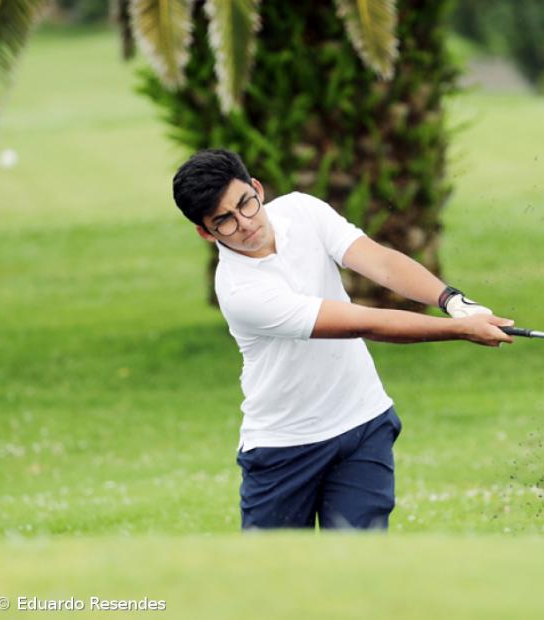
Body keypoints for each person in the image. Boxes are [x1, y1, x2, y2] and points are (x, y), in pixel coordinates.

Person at [171, 149, 514, 531]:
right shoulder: (240, 290)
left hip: (363, 423)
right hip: (284, 447)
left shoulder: (302, 211)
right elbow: (361, 323)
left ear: (256, 188)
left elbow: (380, 263)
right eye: (225, 221)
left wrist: (454, 302)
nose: (245, 223)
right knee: (275, 579)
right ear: (206, 232)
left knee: (361, 569)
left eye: (246, 204)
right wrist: (460, 330)